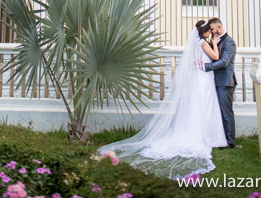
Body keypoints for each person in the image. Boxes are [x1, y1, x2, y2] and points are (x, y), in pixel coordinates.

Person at [97, 20, 228, 179]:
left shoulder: (195, 43)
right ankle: (205, 135)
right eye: (209, 32)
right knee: (203, 106)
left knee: (197, 107)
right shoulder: (203, 43)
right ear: (205, 32)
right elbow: (216, 56)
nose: (211, 34)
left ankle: (205, 134)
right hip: (203, 79)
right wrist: (214, 43)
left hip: (198, 78)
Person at [202, 17, 237, 148]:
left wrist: (206, 67)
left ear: (219, 28)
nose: (210, 32)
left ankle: (230, 142)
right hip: (216, 81)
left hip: (225, 82)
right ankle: (221, 139)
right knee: (218, 112)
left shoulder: (229, 42)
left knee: (226, 112)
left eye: (212, 29)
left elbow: (224, 62)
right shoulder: (215, 40)